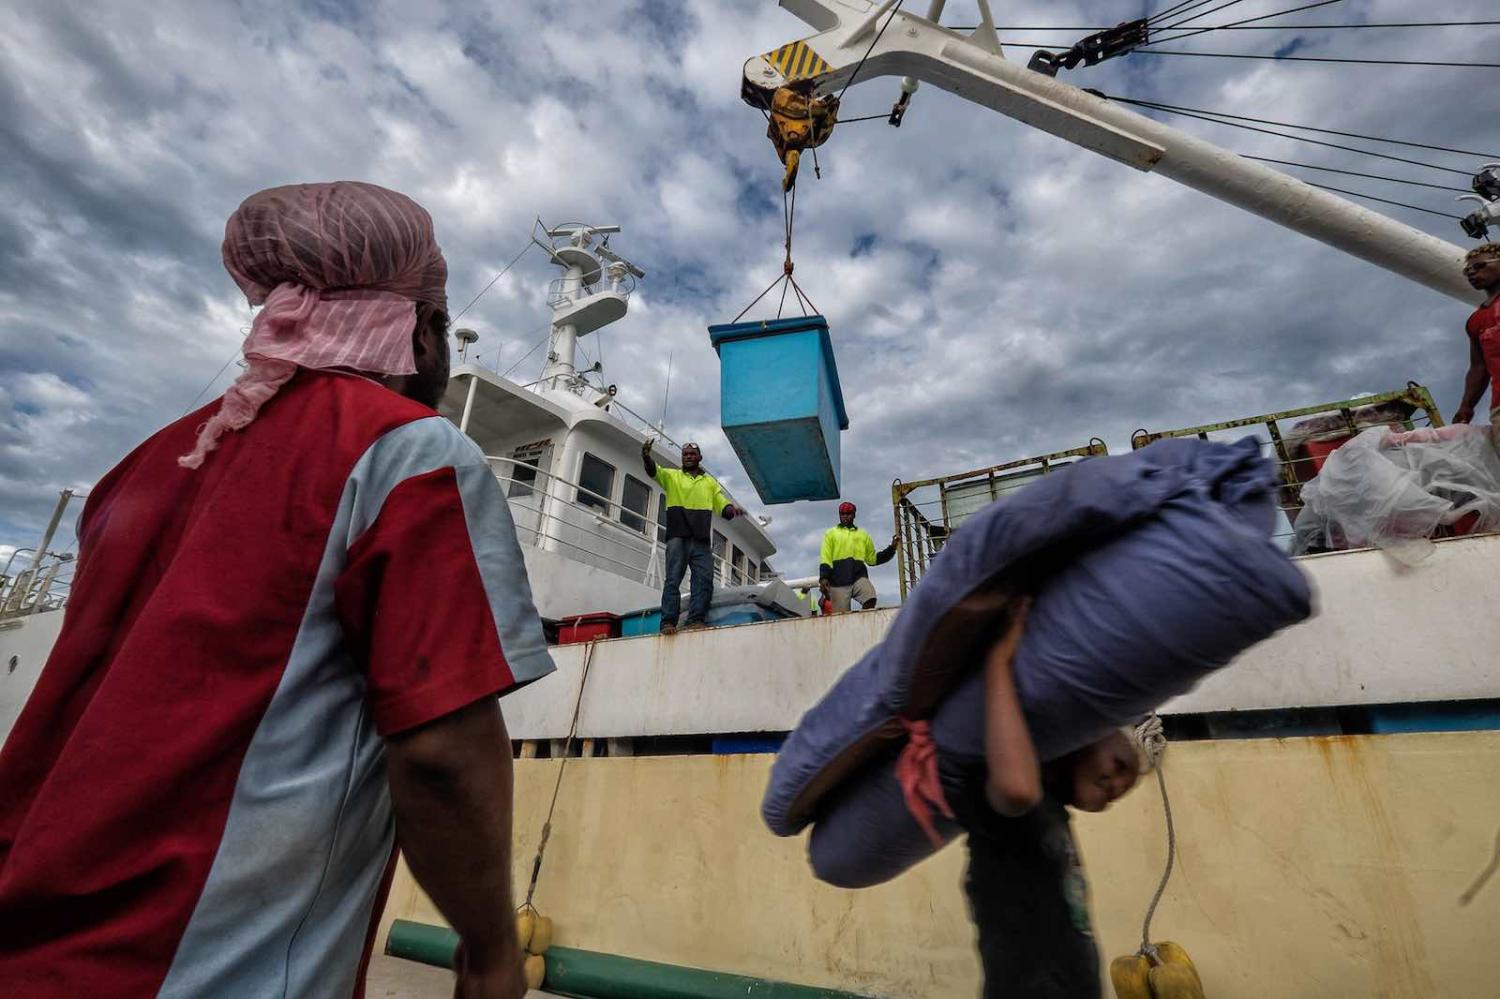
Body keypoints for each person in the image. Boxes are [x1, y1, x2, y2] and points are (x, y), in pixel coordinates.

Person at [0, 182, 553, 999]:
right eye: (440, 329)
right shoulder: (409, 451)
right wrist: (490, 950)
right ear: (422, 328)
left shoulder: (147, 462)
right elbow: (440, 753)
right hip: (201, 969)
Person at [960, 600, 1144, 999]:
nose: (1115, 783)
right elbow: (1016, 788)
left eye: (1119, 792)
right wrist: (997, 663)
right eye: (1116, 766)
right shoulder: (1011, 805)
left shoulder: (1054, 814)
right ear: (1085, 730)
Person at [641, 439, 740, 634]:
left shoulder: (709, 482)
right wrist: (646, 457)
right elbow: (654, 471)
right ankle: (668, 622)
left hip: (701, 541)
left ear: (699, 458)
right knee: (673, 580)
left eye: (692, 454)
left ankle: (695, 620)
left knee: (703, 581)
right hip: (677, 537)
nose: (688, 457)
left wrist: (732, 510)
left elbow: (722, 505)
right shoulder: (672, 477)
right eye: (685, 454)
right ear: (682, 458)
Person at [1453, 242, 1500, 445]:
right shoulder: (1476, 321)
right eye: (1467, 270)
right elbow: (1479, 367)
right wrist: (1466, 407)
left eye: (1480, 265)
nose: (1472, 272)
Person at [818, 502, 898, 612]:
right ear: (839, 515)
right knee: (842, 619)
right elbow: (825, 558)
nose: (845, 516)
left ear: (854, 515)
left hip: (858, 578)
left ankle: (863, 623)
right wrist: (823, 578)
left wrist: (892, 548)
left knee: (870, 597)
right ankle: (851, 628)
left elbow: (872, 559)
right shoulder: (830, 534)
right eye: (842, 513)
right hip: (837, 582)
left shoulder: (863, 535)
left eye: (848, 513)